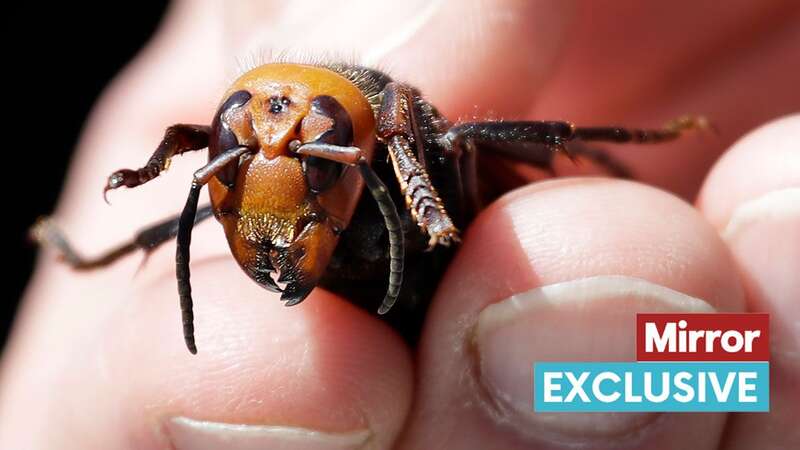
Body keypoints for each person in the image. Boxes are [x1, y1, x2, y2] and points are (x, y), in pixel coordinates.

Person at [1, 1, 797, 449]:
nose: (267, 163)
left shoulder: (407, 116)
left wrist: (416, 178)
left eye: (311, 160)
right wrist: (142, 191)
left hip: (473, 272)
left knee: (712, 347)